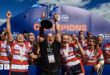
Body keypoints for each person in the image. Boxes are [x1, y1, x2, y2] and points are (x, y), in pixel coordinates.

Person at [6, 10, 39, 75]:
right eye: (18, 36)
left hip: (25, 71)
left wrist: (43, 55)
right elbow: (8, 32)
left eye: (21, 36)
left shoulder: (27, 46)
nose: (20, 37)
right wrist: (8, 18)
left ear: (24, 38)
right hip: (14, 71)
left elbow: (33, 56)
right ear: (16, 38)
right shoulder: (13, 44)